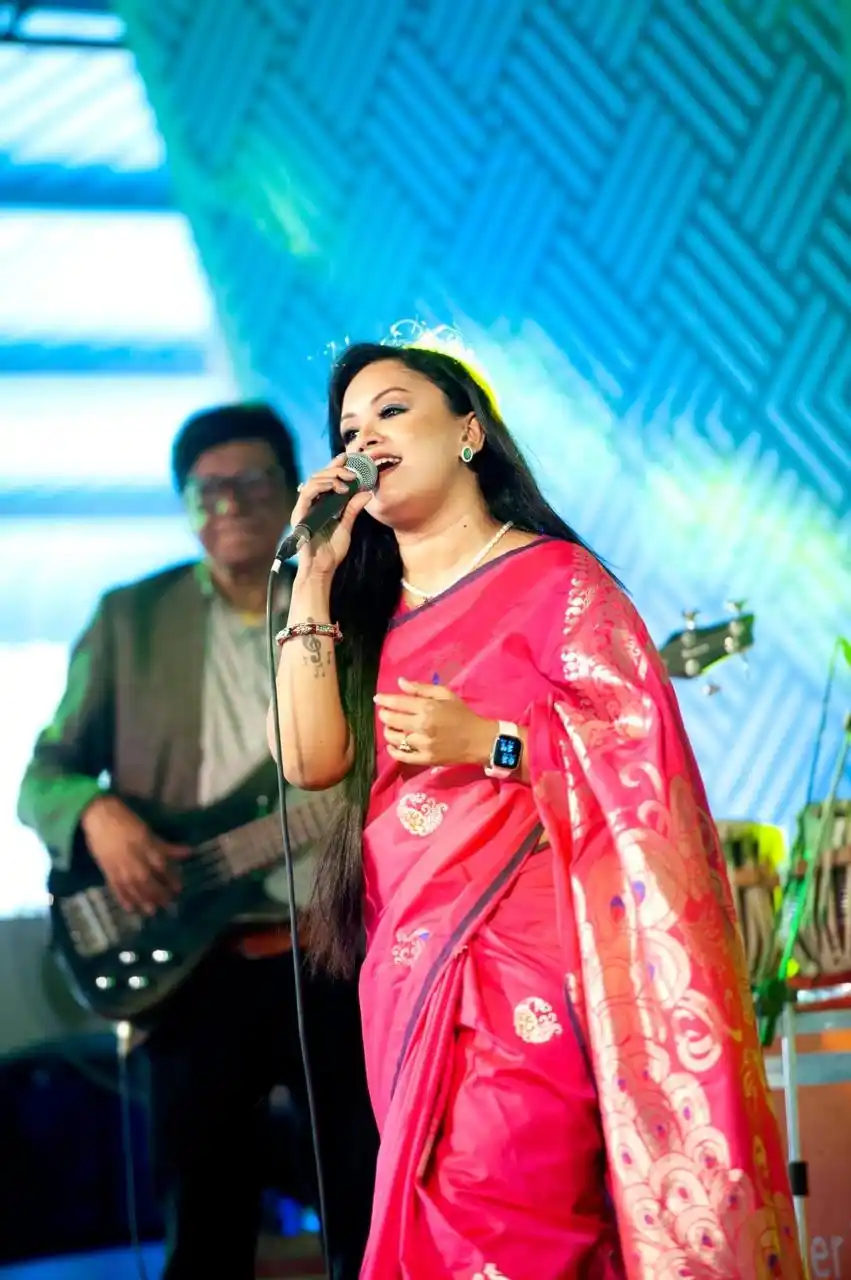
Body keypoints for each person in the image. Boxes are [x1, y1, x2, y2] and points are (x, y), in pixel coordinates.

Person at [269, 341, 805, 1280]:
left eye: (391, 411)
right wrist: (313, 575)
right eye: (348, 429)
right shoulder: (364, 612)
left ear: (468, 433)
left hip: (530, 970)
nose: (364, 440)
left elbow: (642, 772)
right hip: (409, 972)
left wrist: (493, 743)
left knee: (511, 1207)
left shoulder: (560, 584)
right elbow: (310, 763)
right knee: (440, 1215)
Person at [18, 402, 377, 1280]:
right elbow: (44, 775)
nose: (230, 504)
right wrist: (94, 814)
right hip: (194, 965)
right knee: (205, 1228)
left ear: (293, 489)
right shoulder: (129, 617)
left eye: (251, 481)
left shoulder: (349, 599)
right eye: (206, 489)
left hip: (336, 949)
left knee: (367, 1208)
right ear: (184, 504)